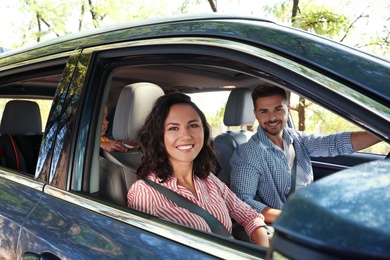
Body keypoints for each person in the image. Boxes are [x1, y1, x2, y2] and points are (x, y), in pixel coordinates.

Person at [127, 93, 270, 247]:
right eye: (173, 128)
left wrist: (264, 252)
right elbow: (148, 252)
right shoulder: (144, 193)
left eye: (193, 125)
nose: (186, 135)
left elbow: (249, 216)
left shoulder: (209, 180)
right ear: (159, 136)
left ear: (204, 131)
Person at [230, 83, 382, 224]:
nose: (272, 117)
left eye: (278, 109)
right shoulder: (248, 153)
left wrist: (382, 132)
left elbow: (336, 143)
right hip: (288, 224)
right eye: (264, 111)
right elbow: (242, 201)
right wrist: (292, 217)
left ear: (288, 109)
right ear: (255, 113)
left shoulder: (296, 138)